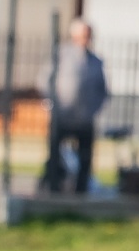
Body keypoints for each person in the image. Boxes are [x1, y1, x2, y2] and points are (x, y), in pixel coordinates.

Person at [39, 18, 110, 195]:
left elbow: (103, 90)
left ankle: (81, 191)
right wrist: (52, 103)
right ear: (74, 36)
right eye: (83, 35)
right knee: (55, 154)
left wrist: (94, 109)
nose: (87, 38)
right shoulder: (62, 55)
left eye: (89, 35)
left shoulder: (96, 61)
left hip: (84, 118)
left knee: (85, 156)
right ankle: (53, 189)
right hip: (62, 115)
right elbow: (43, 80)